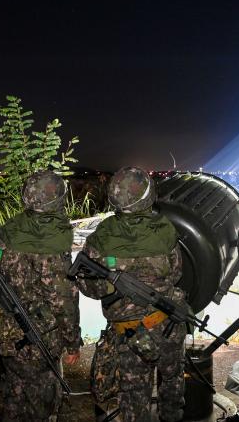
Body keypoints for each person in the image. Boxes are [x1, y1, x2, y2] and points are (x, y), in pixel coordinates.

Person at [77, 167, 186, 422]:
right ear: (148, 195)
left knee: (133, 395)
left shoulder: (101, 235)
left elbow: (87, 286)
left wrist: (112, 287)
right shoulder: (165, 228)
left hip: (128, 332)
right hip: (167, 324)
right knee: (172, 383)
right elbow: (175, 274)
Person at [0, 170, 82, 421]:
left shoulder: (6, 231)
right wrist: (72, 342)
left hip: (6, 332)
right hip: (38, 338)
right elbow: (62, 299)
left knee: (16, 393)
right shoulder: (50, 239)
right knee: (43, 403)